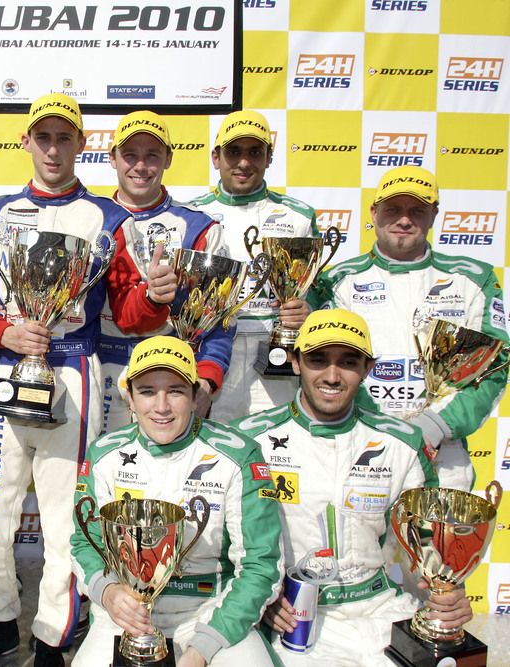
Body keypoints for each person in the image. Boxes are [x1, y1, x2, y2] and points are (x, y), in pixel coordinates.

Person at [0, 93, 178, 667]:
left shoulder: (110, 217)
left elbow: (126, 312)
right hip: (5, 370)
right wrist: (3, 331)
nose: (53, 148)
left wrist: (152, 296)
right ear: (26, 142)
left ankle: (53, 635)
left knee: (63, 520)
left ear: (81, 144)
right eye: (42, 137)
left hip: (75, 370)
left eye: (64, 137)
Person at [232, 309, 472, 666]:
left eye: (348, 362)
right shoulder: (249, 440)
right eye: (317, 360)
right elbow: (227, 547)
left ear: (368, 368)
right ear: (296, 362)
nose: (331, 376)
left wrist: (449, 594)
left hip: (381, 610)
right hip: (296, 619)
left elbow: (426, 550)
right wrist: (260, 600)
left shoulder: (403, 444)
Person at [71, 335, 284, 667]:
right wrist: (108, 594)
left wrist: (202, 648)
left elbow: (260, 566)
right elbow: (83, 544)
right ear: (129, 397)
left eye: (175, 391)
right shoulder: (103, 456)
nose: (161, 406)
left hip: (211, 612)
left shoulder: (239, 456)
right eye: (147, 391)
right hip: (124, 614)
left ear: (196, 395)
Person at [308, 166, 508, 491]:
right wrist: (376, 426)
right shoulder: (334, 281)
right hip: (360, 445)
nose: (404, 220)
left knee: (435, 544)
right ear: (373, 212)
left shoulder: (473, 279)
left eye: (417, 210)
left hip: (441, 451)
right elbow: (316, 367)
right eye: (393, 209)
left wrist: (434, 425)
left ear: (434, 215)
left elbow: (494, 369)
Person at [99, 110, 229, 433]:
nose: (140, 166)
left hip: (171, 377)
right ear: (112, 158)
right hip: (101, 370)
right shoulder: (90, 220)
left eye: (152, 155)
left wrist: (207, 380)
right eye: (130, 154)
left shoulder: (199, 227)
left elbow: (221, 318)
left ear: (169, 159)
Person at [191, 110, 317, 423]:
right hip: (214, 348)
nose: (244, 162)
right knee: (212, 445)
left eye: (255, 152)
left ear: (269, 157)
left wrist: (306, 308)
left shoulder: (298, 216)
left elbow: (316, 287)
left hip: (277, 351)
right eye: (234, 152)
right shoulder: (192, 213)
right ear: (215, 157)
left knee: (278, 443)